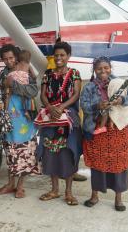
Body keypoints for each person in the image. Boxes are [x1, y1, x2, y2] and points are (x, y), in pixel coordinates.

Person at [81, 56, 128, 211]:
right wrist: (97, 105)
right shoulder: (89, 87)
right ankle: (94, 195)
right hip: (98, 129)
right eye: (99, 68)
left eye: (106, 68)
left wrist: (122, 100)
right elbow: (83, 105)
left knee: (119, 163)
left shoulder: (119, 83)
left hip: (117, 130)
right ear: (94, 70)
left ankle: (118, 199)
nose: (103, 71)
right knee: (97, 163)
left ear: (110, 68)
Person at [37, 41, 82, 206]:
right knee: (50, 154)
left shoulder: (75, 73)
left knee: (68, 154)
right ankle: (54, 190)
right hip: (51, 120)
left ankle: (68, 192)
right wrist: (50, 107)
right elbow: (43, 95)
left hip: (68, 120)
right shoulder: (47, 74)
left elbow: (76, 94)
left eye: (62, 55)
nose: (59, 58)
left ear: (68, 56)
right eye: (56, 55)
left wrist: (61, 107)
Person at [0, 44, 40, 198]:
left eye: (11, 58)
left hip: (25, 118)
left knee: (25, 151)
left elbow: (33, 91)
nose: (8, 61)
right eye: (5, 59)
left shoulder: (27, 69)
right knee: (11, 152)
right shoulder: (1, 74)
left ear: (17, 56)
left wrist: (12, 85)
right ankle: (10, 184)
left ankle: (20, 186)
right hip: (9, 119)